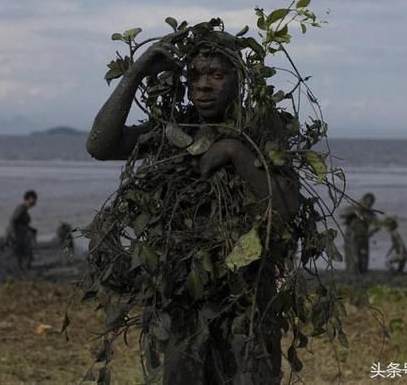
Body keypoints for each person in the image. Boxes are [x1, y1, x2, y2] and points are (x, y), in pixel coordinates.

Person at [87, 33, 300, 384]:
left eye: (216, 75)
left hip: (245, 299)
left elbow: (287, 204)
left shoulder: (259, 128)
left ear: (240, 79)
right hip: (182, 294)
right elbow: (100, 144)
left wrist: (234, 151)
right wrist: (135, 74)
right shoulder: (175, 129)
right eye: (195, 76)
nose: (203, 86)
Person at [340, 193, 380, 274]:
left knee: (364, 262)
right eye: (366, 202)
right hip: (351, 238)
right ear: (362, 201)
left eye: (370, 203)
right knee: (353, 260)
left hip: (364, 238)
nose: (368, 205)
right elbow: (341, 214)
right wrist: (355, 209)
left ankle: (361, 276)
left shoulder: (370, 213)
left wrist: (370, 233)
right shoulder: (353, 209)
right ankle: (351, 276)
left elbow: (377, 225)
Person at [8, 190, 38, 270]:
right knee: (21, 255)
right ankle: (21, 272)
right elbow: (13, 220)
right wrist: (14, 235)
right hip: (16, 236)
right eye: (33, 199)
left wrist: (31, 229)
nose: (34, 202)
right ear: (28, 199)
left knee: (24, 254)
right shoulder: (21, 208)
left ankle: (22, 270)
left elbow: (21, 223)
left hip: (21, 235)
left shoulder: (24, 210)